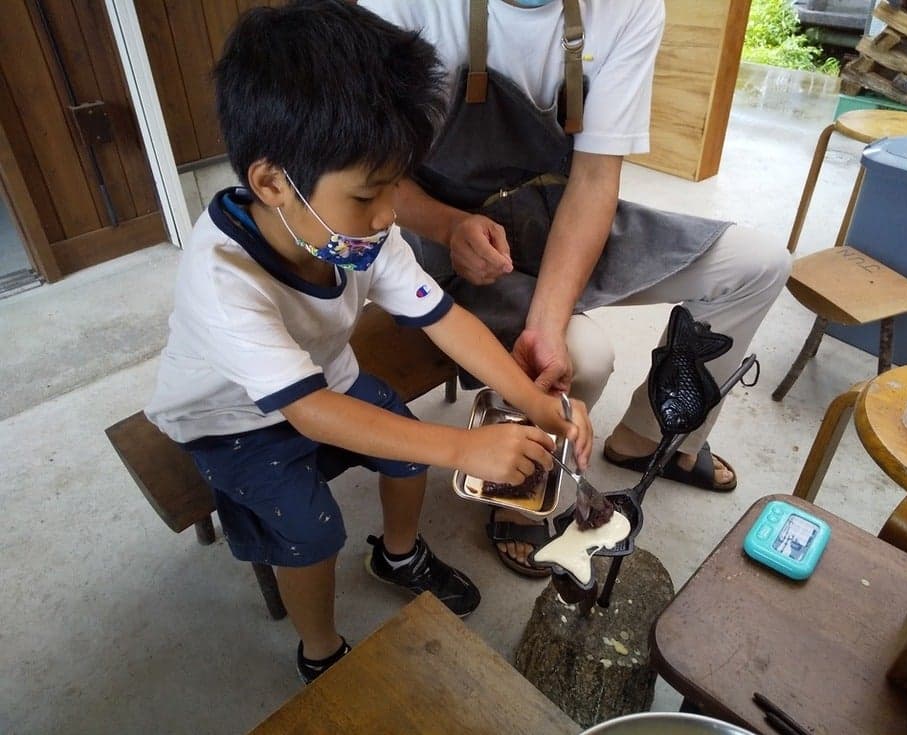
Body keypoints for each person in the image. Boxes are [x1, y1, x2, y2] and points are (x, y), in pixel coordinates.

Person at [144, 0, 592, 684]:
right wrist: (461, 448)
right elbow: (308, 412)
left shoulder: (354, 233)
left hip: (325, 377)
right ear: (272, 182)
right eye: (367, 195)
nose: (388, 216)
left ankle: (398, 554)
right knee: (312, 529)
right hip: (230, 420)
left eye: (394, 188)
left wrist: (535, 402)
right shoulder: (222, 279)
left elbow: (444, 318)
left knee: (405, 452)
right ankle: (320, 651)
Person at [359, 0, 792, 575]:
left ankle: (647, 438)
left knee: (759, 265)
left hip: (559, 211)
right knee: (584, 361)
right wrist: (447, 226)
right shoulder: (401, 6)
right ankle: (519, 487)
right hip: (455, 232)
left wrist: (546, 320)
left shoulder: (627, 8)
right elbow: (365, 173)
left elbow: (593, 179)